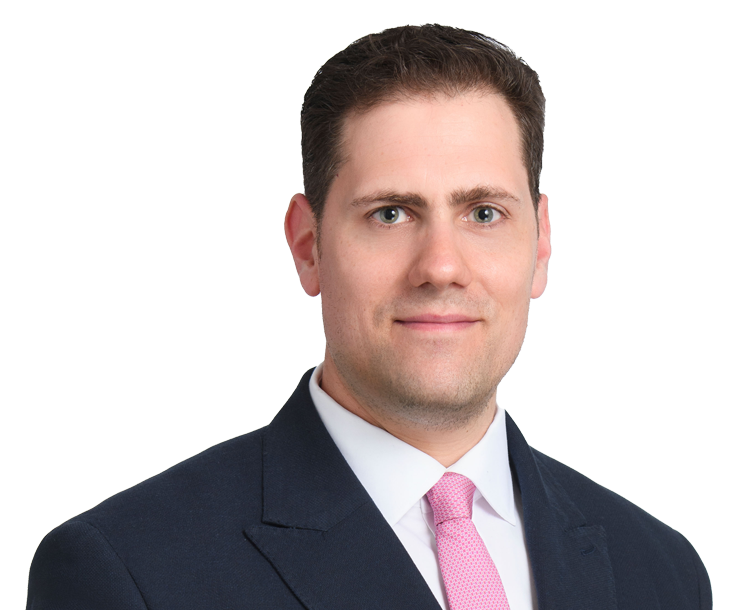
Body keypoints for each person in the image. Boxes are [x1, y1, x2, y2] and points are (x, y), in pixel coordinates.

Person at [26, 24, 711, 610]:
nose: (440, 266)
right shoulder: (128, 571)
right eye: (390, 214)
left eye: (483, 213)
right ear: (308, 247)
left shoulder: (662, 571)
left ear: (541, 245)